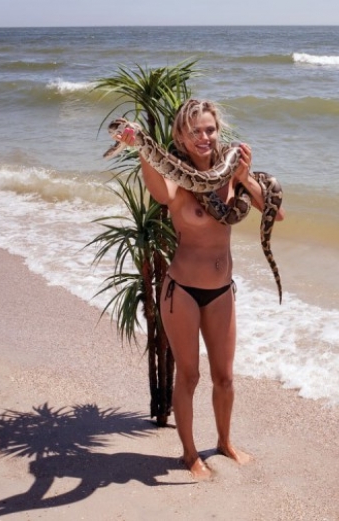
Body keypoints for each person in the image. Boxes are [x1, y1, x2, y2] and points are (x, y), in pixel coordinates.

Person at [117, 99, 284, 480]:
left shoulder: (230, 173)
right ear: (180, 136)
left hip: (222, 291)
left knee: (225, 377)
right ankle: (190, 454)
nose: (204, 137)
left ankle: (224, 442)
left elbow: (276, 213)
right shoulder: (176, 178)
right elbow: (159, 192)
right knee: (189, 376)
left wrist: (244, 178)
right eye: (195, 131)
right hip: (183, 292)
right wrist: (140, 146)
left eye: (210, 129)